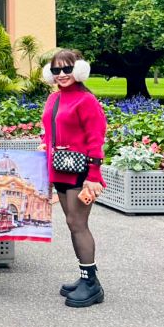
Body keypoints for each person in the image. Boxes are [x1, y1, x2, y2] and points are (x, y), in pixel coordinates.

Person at [39, 49, 107, 308]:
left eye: (67, 69)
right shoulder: (54, 99)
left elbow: (95, 137)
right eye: (56, 70)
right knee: (71, 222)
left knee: (78, 224)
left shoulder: (85, 100)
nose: (62, 74)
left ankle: (91, 284)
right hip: (60, 169)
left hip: (81, 170)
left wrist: (94, 176)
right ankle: (85, 276)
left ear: (79, 70)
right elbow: (50, 132)